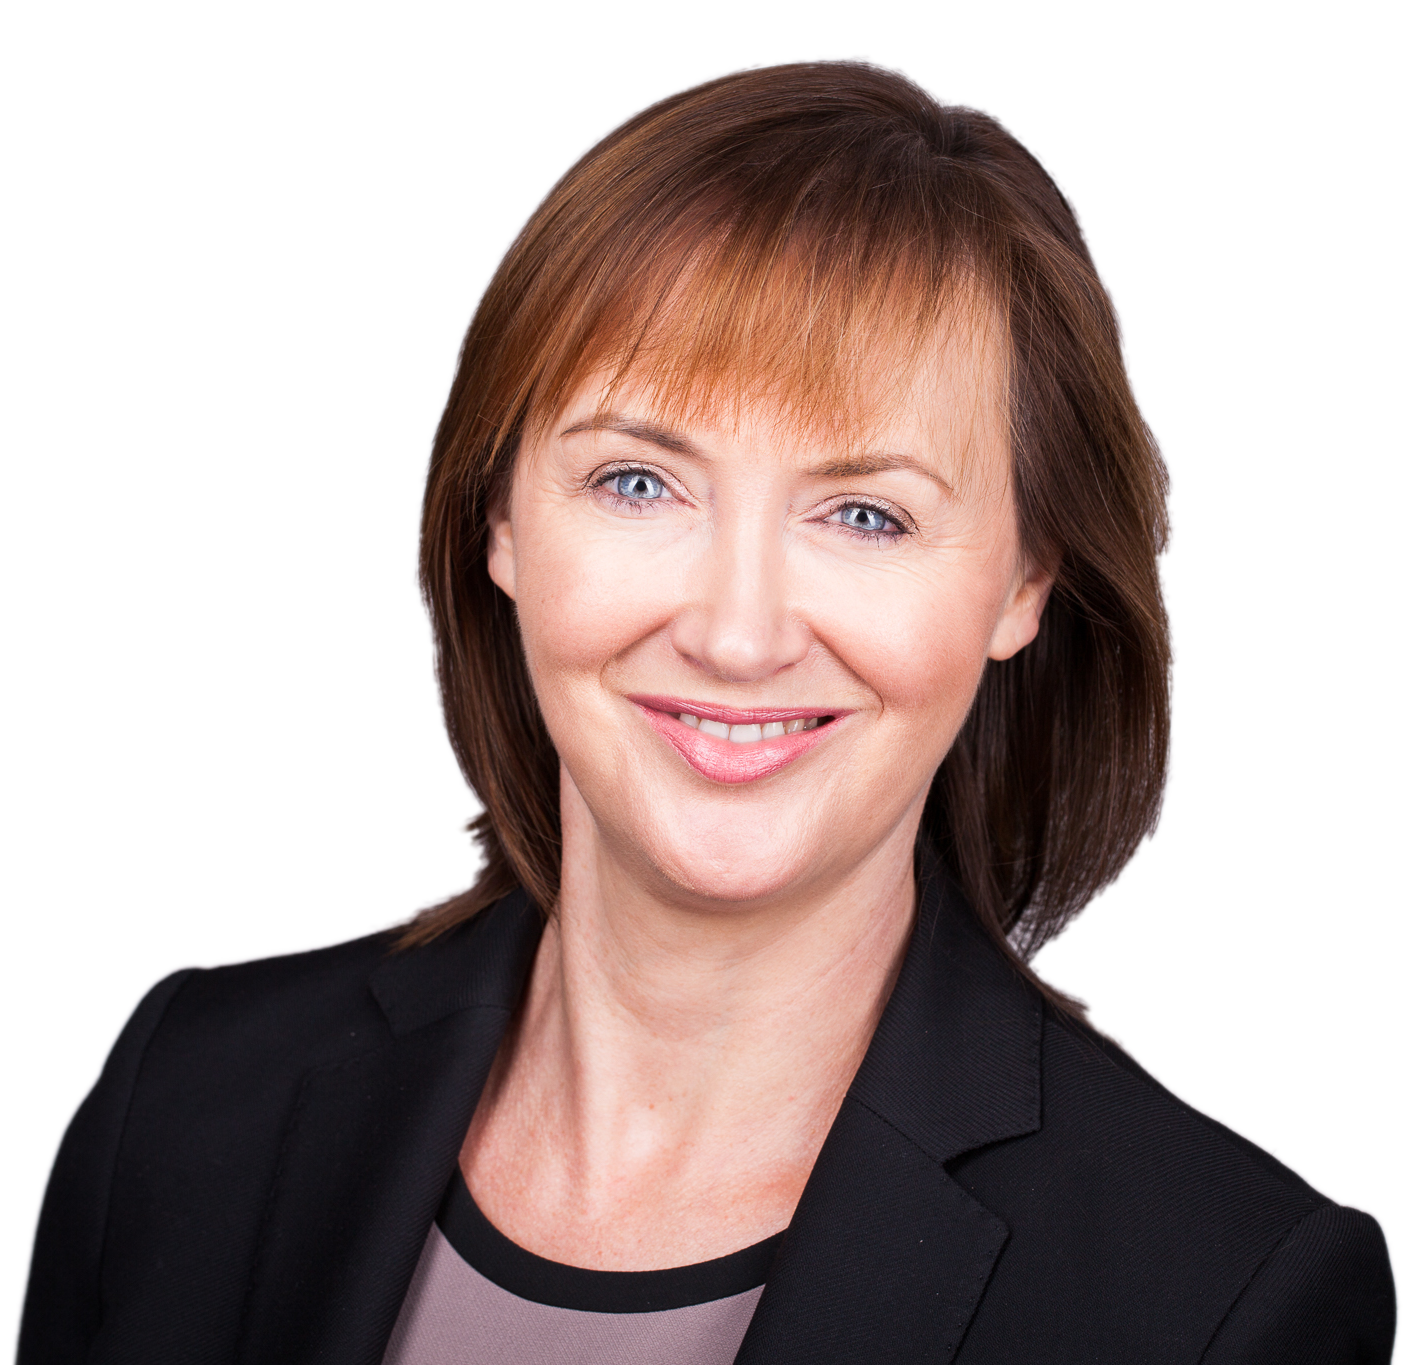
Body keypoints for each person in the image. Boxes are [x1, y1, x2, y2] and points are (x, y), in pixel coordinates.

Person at [16, 57, 1395, 1364]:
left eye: (866, 513)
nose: (738, 634)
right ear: (498, 515)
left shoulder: (1215, 1297)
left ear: (1025, 583)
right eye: (637, 483)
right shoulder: (185, 1102)